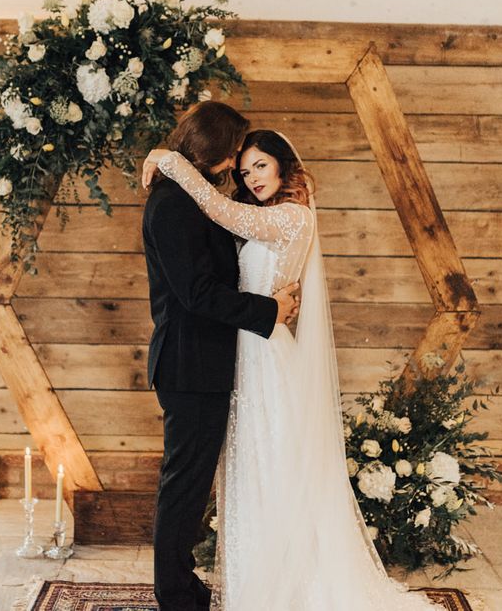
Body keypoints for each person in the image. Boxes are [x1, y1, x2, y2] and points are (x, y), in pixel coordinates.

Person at [143, 129, 445, 610]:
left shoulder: (293, 217)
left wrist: (169, 160)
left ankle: (292, 587)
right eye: (244, 171)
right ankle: (254, 579)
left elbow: (220, 210)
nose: (251, 177)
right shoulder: (260, 218)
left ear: (283, 166)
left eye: (261, 166)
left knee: (274, 463)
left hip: (266, 355)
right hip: (242, 353)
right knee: (249, 468)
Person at [142, 104, 301, 611]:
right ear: (211, 148)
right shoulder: (170, 205)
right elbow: (196, 292)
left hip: (205, 365)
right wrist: (269, 310)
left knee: (190, 487)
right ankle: (175, 597)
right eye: (233, 153)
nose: (237, 164)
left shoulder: (194, 197)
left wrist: (166, 157)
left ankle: (186, 587)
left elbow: (236, 217)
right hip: (189, 366)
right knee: (183, 489)